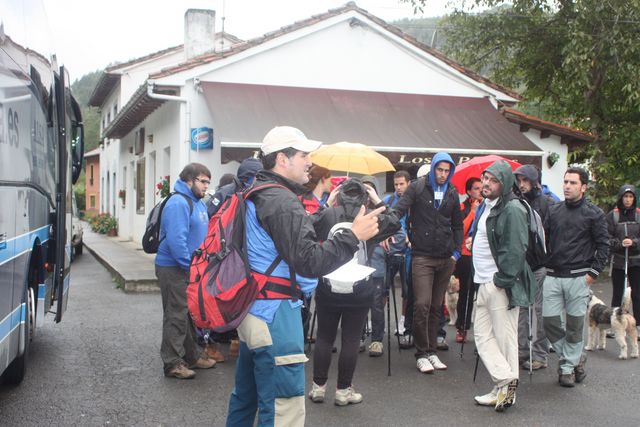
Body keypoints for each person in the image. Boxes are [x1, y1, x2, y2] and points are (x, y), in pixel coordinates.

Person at [225, 126, 384, 427]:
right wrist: (353, 236)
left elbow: (282, 240)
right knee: (283, 407)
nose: (310, 162)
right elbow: (309, 262)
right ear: (282, 160)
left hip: (252, 309)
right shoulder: (282, 201)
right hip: (275, 315)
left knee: (245, 398)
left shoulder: (256, 192)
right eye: (303, 155)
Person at [310, 177, 399, 404]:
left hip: (328, 283)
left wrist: (326, 204)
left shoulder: (329, 214)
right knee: (350, 339)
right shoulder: (369, 218)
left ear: (339, 195)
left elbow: (307, 224)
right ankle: (343, 391)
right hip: (359, 286)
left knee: (324, 337)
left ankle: (318, 387)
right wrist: (379, 201)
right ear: (364, 198)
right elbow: (395, 222)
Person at [470, 160, 536, 412]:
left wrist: (502, 281)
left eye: (493, 180)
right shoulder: (488, 206)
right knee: (483, 336)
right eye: (485, 178)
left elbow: (516, 249)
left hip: (500, 284)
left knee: (505, 339)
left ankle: (506, 391)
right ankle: (504, 383)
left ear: (505, 183)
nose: (486, 183)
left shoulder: (513, 209)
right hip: (484, 281)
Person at [393, 152, 463, 374]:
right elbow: (399, 210)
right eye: (439, 170)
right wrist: (387, 229)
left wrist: (456, 253)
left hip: (445, 257)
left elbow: (458, 225)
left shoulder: (452, 192)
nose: (442, 174)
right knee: (421, 304)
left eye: (446, 170)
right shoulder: (417, 187)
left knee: (435, 307)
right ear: (432, 169)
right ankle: (421, 353)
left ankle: (432, 351)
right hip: (422, 256)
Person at [543, 167, 609, 387]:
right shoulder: (553, 211)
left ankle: (567, 369)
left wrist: (592, 274)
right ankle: (576, 357)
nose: (567, 186)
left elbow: (603, 246)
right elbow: (544, 240)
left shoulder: (594, 213)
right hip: (552, 275)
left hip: (579, 278)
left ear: (583, 187)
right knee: (549, 322)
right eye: (565, 182)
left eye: (572, 183)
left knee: (574, 326)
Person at [155, 163, 216, 379]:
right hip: (174, 267)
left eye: (208, 182)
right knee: (176, 314)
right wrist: (189, 267)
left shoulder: (197, 203)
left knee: (188, 313)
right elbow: (176, 241)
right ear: (189, 180)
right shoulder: (179, 203)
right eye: (203, 181)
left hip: (189, 267)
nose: (206, 186)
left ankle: (192, 356)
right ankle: (172, 363)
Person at [513, 165, 556, 371]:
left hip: (540, 265)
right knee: (522, 309)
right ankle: (522, 350)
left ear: (533, 181)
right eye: (519, 181)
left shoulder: (547, 203)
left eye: (525, 181)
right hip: (521, 264)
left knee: (539, 311)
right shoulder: (515, 202)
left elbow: (553, 233)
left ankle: (539, 354)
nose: (521, 185)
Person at [606, 185, 640, 328]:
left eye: (631, 197)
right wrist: (619, 243)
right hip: (619, 261)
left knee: (637, 294)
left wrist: (633, 242)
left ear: (634, 198)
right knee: (618, 294)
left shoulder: (638, 215)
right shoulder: (613, 215)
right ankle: (615, 324)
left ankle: (637, 324)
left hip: (636, 261)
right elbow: (606, 237)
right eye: (625, 197)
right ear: (621, 198)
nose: (628, 200)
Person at [453, 177, 483, 344]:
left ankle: (482, 330)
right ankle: (462, 327)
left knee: (483, 295)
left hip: (482, 256)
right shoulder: (462, 207)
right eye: (476, 188)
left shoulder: (488, 206)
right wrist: (472, 211)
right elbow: (460, 230)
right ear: (469, 191)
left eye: (481, 187)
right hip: (466, 256)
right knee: (466, 292)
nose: (480, 191)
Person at [382, 171, 410, 336]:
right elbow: (379, 222)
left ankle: (403, 321)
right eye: (396, 184)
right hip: (390, 252)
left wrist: (411, 236)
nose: (399, 187)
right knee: (383, 289)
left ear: (408, 183)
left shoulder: (415, 201)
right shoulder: (387, 201)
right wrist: (386, 233)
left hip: (409, 253)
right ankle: (378, 322)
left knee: (407, 291)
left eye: (402, 184)